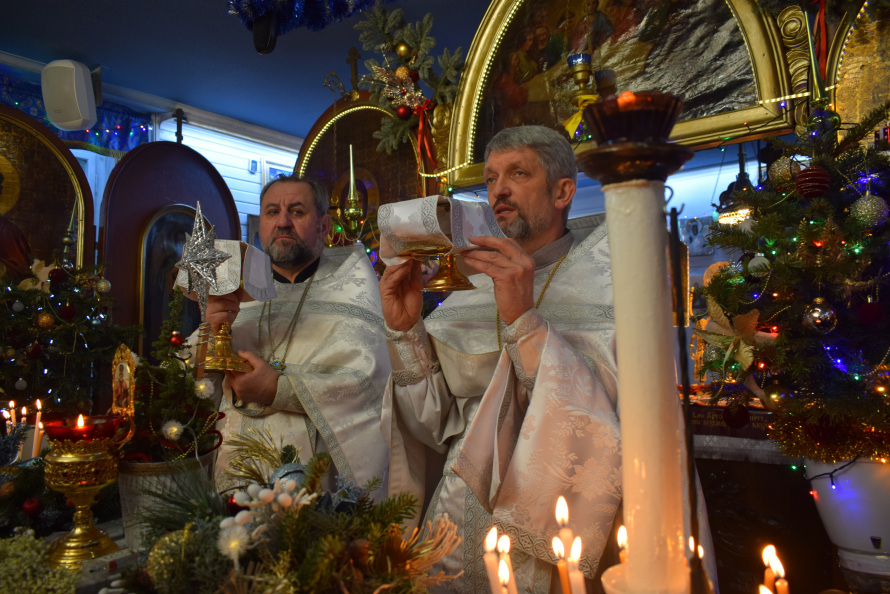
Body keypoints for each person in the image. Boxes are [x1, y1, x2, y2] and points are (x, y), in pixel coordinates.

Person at [379, 125, 621, 591]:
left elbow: (603, 425)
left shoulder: (609, 282)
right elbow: (432, 425)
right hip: (455, 523)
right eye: (490, 179)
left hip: (550, 529)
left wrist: (524, 321)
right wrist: (406, 332)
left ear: (563, 192)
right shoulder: (470, 286)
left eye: (518, 174)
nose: (498, 191)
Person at [206, 175, 390, 495]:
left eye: (297, 211)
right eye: (272, 212)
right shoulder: (235, 290)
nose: (283, 222)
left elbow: (371, 383)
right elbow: (195, 390)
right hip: (236, 475)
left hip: (318, 482)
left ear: (323, 225)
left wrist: (278, 389)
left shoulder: (353, 284)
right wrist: (213, 332)